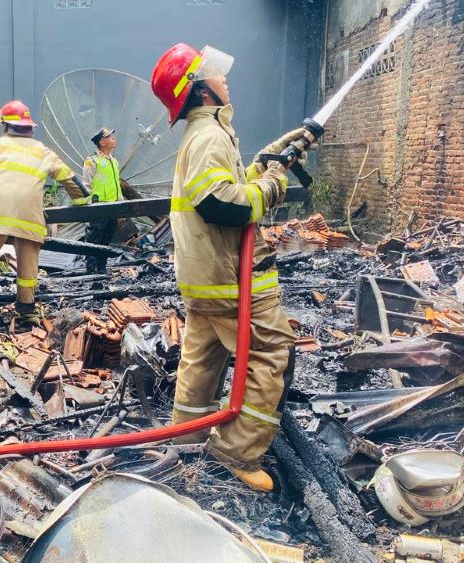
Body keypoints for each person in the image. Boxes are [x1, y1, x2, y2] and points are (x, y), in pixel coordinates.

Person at [151, 43, 308, 492]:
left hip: (204, 279)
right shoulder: (209, 137)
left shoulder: (206, 136)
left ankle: (186, 436)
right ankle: (237, 451)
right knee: (271, 352)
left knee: (202, 357)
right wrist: (271, 188)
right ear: (201, 92)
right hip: (229, 280)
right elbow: (220, 201)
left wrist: (265, 163)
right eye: (215, 75)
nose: (225, 79)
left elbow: (223, 185)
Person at [0, 100, 92, 324]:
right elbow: (72, 181)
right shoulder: (43, 152)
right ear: (29, 127)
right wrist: (83, 201)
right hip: (30, 219)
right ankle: (26, 309)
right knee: (29, 264)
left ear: (5, 125)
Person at [82, 127, 123, 273]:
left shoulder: (114, 162)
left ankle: (101, 267)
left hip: (112, 206)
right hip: (98, 206)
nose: (113, 139)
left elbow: (116, 184)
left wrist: (121, 203)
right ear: (102, 142)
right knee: (94, 238)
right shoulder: (92, 161)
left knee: (107, 238)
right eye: (110, 137)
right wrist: (89, 206)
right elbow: (86, 184)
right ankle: (90, 269)